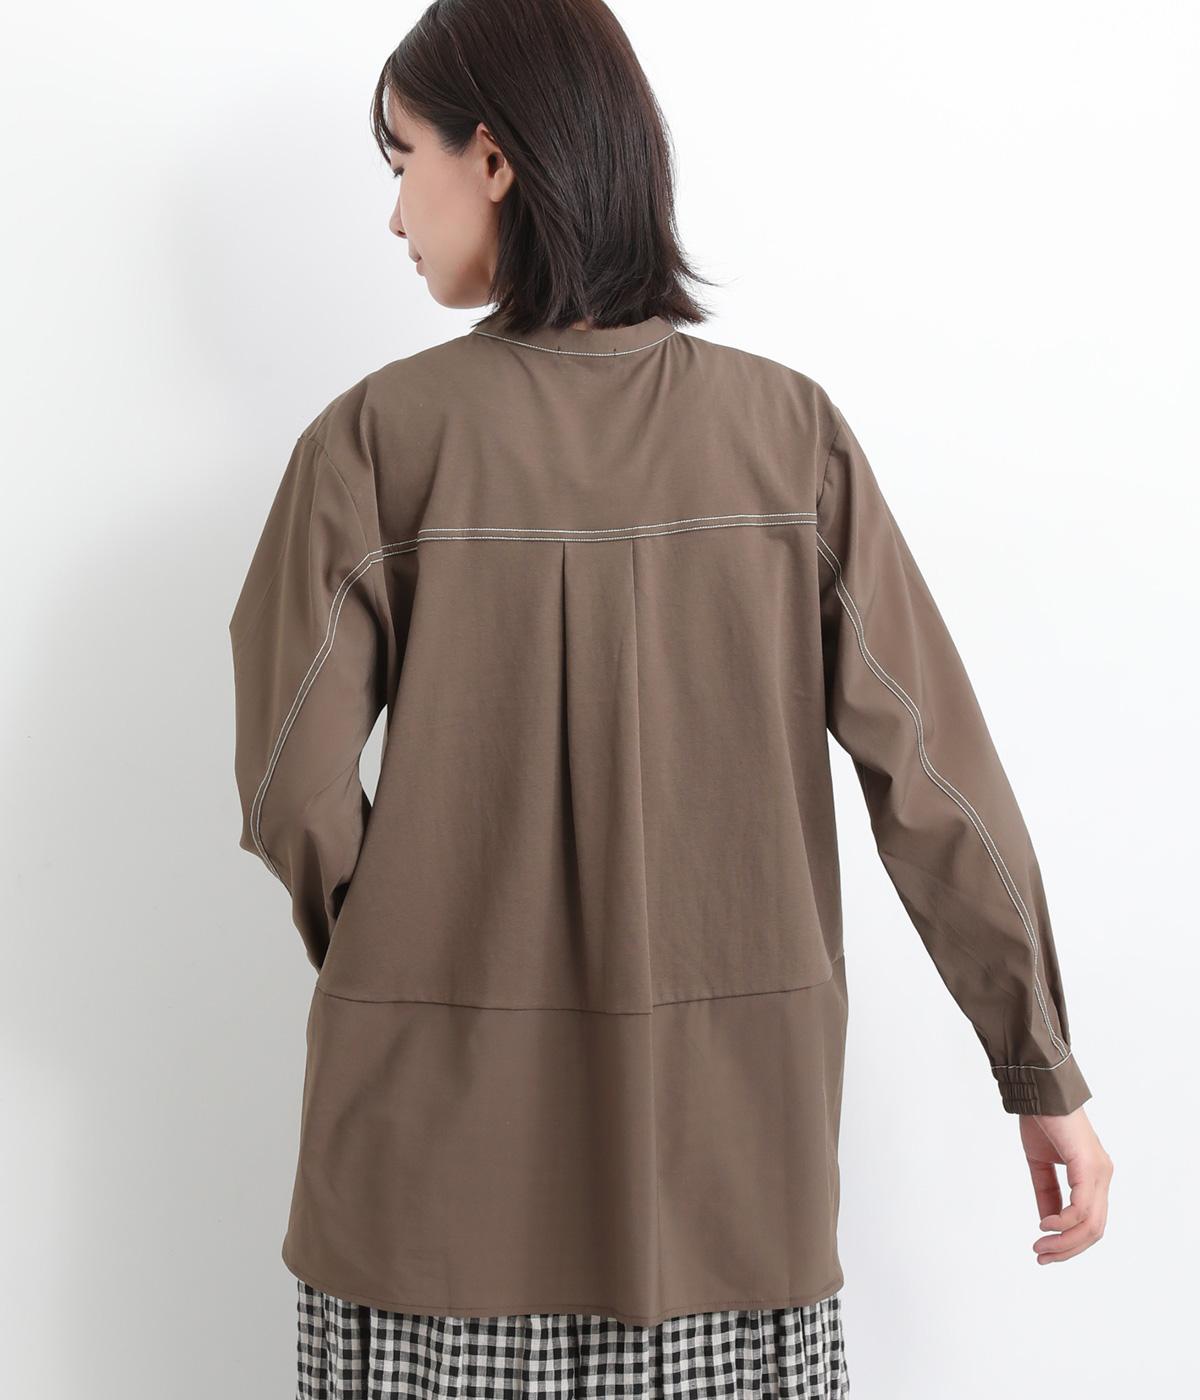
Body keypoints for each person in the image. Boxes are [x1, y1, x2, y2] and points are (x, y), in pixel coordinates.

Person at [226, 2, 1113, 1396]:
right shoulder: (789, 437)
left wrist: (411, 973)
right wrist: (1037, 1063)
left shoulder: (373, 445)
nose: (395, 212)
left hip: (426, 1206)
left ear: (493, 159)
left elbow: (293, 785)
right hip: (731, 1195)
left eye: (403, 161)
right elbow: (935, 778)